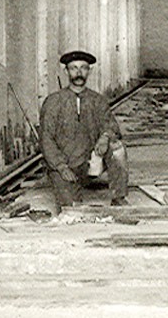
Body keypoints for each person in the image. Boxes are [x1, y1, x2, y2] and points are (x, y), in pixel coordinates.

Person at [39, 49, 129, 208]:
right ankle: (68, 188)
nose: (79, 73)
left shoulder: (97, 100)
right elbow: (46, 139)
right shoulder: (53, 102)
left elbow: (111, 125)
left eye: (83, 68)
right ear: (66, 71)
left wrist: (105, 137)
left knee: (117, 149)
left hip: (90, 163)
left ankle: (119, 196)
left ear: (89, 71)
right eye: (74, 68)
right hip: (64, 165)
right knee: (71, 208)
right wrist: (61, 166)